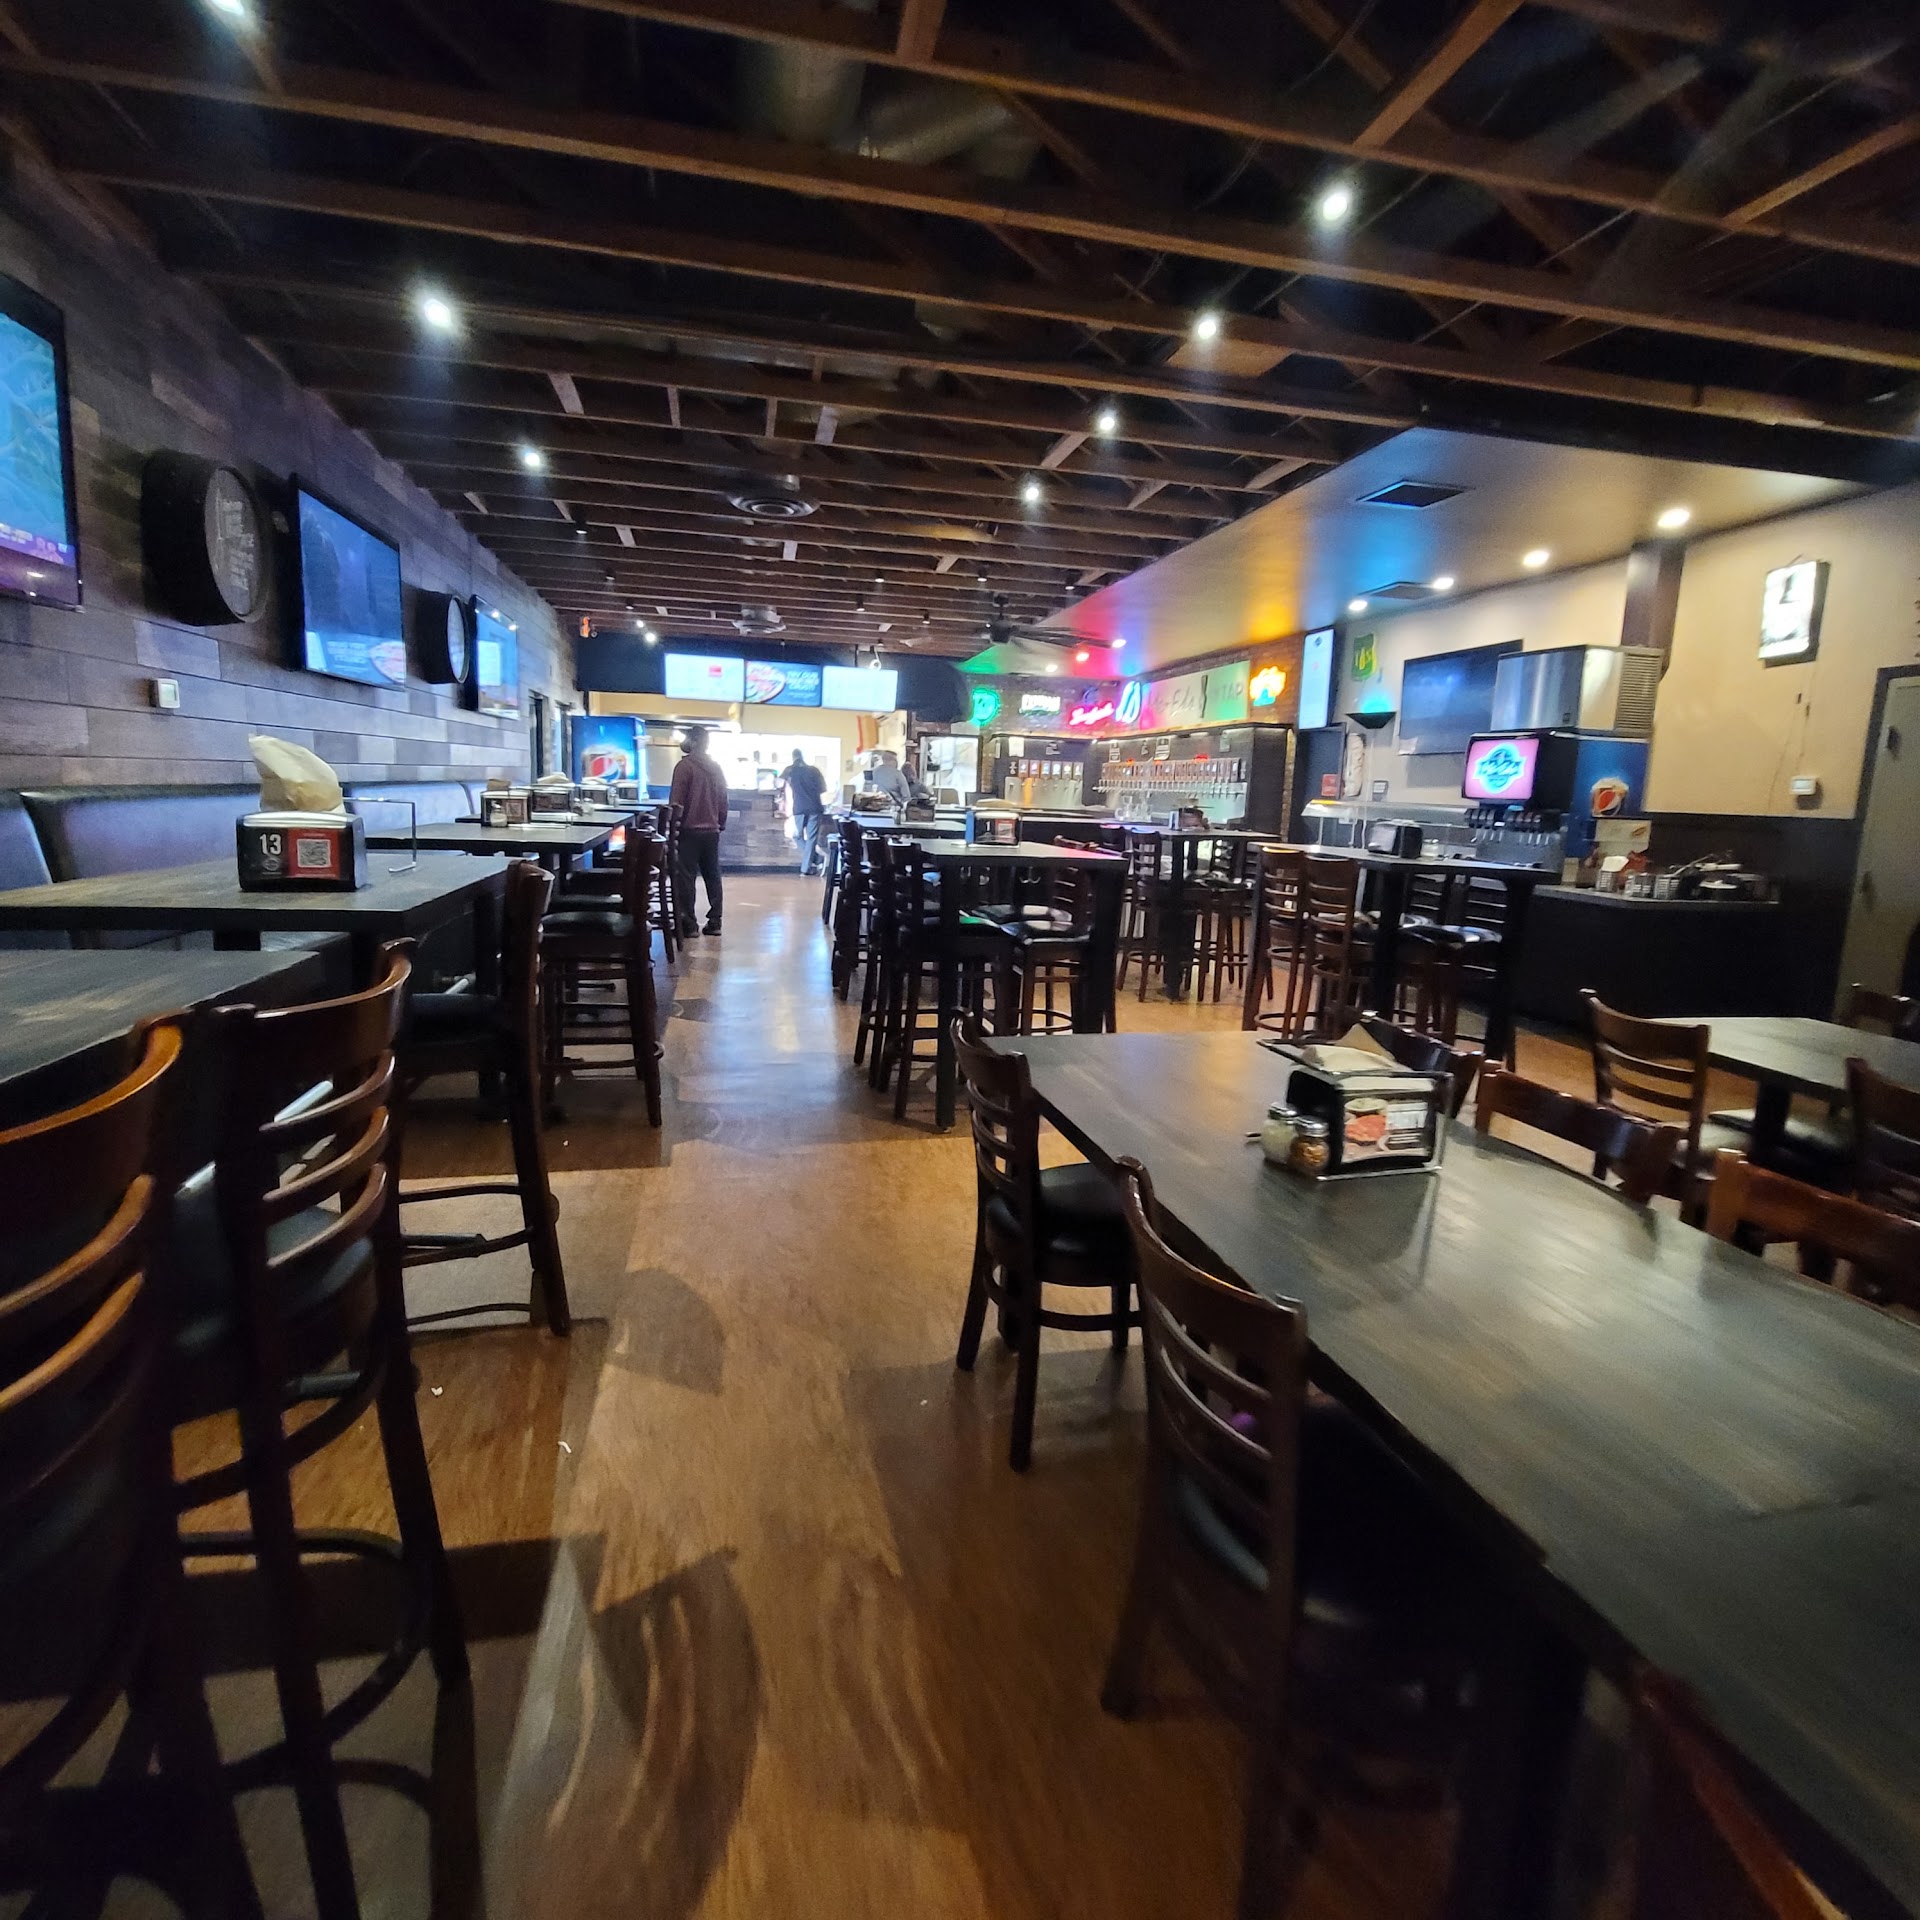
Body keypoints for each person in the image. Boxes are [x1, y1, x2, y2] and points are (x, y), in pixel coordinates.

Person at [669, 725, 729, 936]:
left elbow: (676, 802)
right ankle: (715, 921)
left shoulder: (684, 767)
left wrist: (672, 829)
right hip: (712, 831)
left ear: (693, 742)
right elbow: (723, 799)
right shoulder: (716, 768)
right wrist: (720, 823)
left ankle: (689, 924)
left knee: (686, 877)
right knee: (713, 875)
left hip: (689, 831)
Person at [780, 748, 828, 875]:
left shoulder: (790, 770)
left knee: (797, 836)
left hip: (799, 807)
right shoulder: (814, 770)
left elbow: (778, 783)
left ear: (793, 757)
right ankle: (815, 860)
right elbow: (823, 789)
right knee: (811, 838)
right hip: (815, 807)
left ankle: (806, 868)